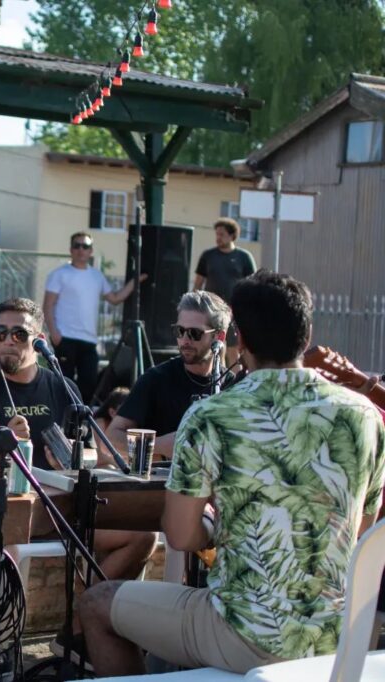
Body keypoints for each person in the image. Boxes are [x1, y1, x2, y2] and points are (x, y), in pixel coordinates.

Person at [80, 270, 385, 676]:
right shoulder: (365, 416)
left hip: (245, 634)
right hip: (339, 637)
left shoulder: (212, 414)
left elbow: (181, 535)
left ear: (239, 340)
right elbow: (361, 532)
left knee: (97, 603)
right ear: (307, 335)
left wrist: (216, 524)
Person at [0, 298, 157, 583]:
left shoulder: (63, 387)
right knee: (8, 551)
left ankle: (86, 616)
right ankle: (10, 625)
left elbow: (91, 453)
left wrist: (71, 459)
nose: (7, 341)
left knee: (143, 537)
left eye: (19, 334)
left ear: (39, 341)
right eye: (0, 333)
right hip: (1, 511)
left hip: (59, 509)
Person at [106, 291, 233, 460]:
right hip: (161, 483)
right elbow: (111, 437)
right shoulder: (156, 379)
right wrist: (159, 445)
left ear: (219, 336)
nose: (185, 340)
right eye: (180, 331)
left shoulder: (231, 385)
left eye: (195, 333)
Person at [44, 232, 143, 402]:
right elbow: (47, 305)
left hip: (89, 340)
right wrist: (54, 333)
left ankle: (81, 424)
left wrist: (135, 281)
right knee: (62, 383)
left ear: (91, 251)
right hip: (65, 337)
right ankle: (61, 421)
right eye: (77, 246)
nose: (81, 250)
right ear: (70, 250)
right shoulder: (59, 274)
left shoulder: (97, 276)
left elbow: (115, 298)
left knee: (88, 384)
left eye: (85, 246)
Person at [194, 217, 256, 369]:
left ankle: (234, 382)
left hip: (235, 310)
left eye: (221, 234)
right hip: (211, 310)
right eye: (217, 234)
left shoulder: (244, 257)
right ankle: (218, 381)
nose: (218, 238)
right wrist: (195, 304)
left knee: (232, 350)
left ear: (232, 235)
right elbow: (198, 284)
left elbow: (253, 284)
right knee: (215, 348)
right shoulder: (208, 256)